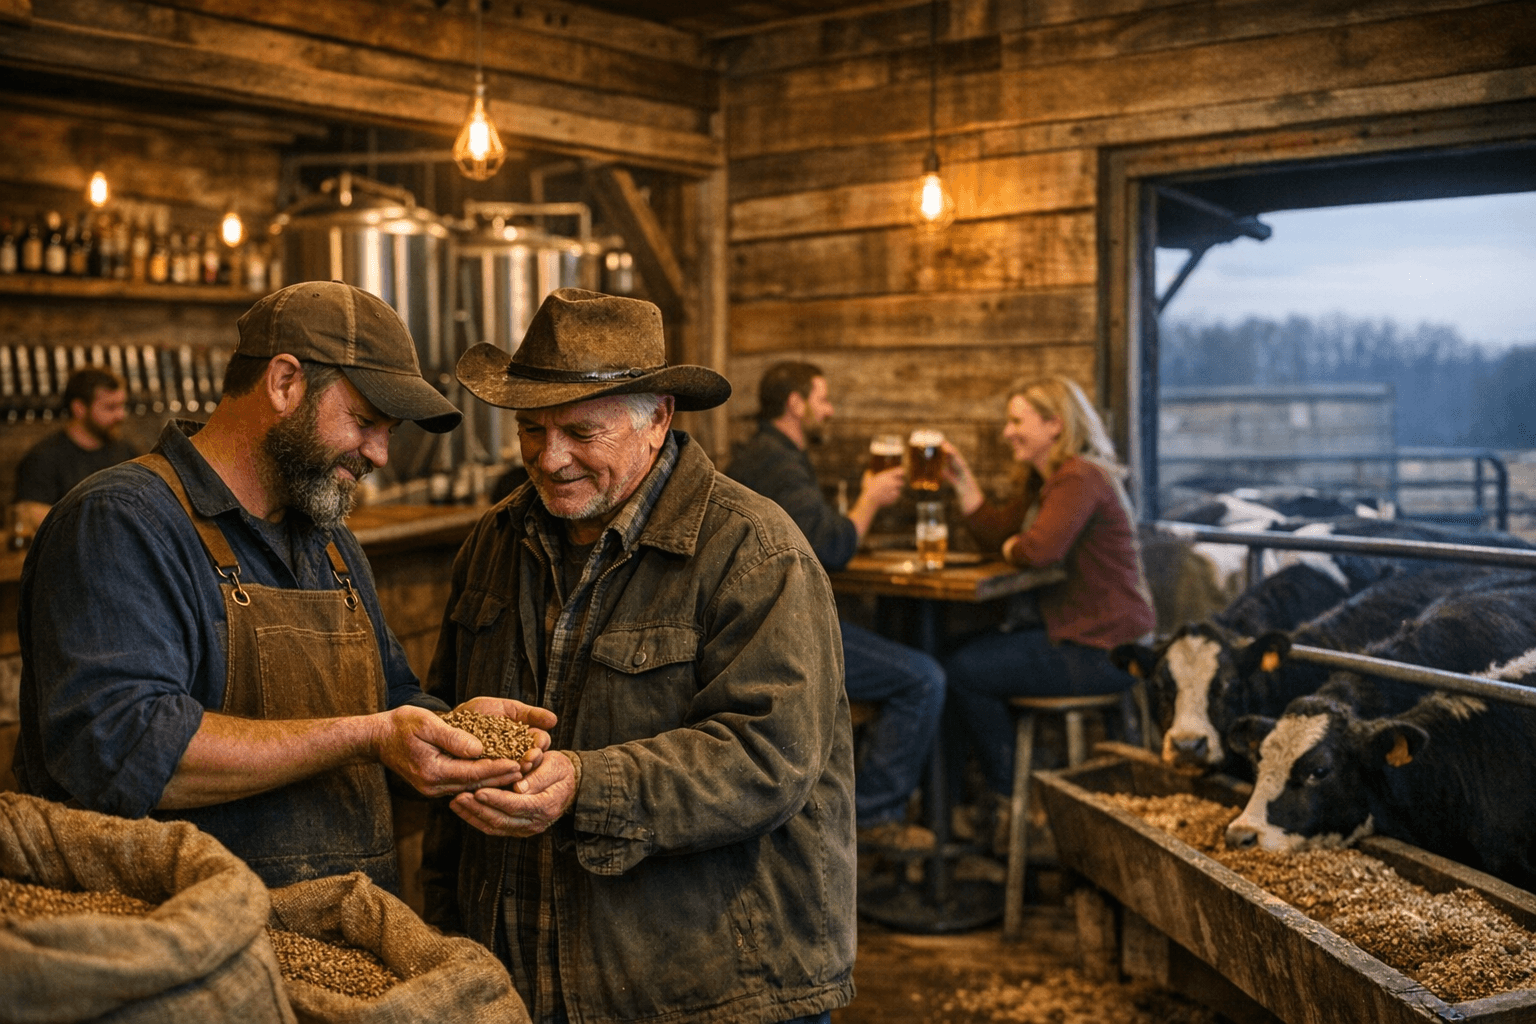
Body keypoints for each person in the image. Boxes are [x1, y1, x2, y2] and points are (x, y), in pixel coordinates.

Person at [16, 280, 551, 891]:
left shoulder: (331, 542)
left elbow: (392, 698)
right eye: (365, 421)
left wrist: (453, 729)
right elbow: (123, 749)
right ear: (284, 382)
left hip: (345, 930)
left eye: (390, 432)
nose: (379, 455)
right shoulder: (121, 522)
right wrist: (371, 735)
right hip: (183, 947)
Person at [424, 288, 855, 1024]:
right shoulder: (496, 541)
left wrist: (585, 784)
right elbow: (448, 705)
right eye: (532, 430)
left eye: (581, 433)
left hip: (708, 984)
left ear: (658, 419)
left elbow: (769, 757)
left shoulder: (755, 552)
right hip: (523, 971)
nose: (550, 458)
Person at [726, 360, 945, 852]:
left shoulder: (773, 456)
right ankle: (869, 818)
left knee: (915, 667)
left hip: (767, 622)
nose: (831, 411)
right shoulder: (778, 464)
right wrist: (868, 501)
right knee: (924, 679)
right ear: (796, 404)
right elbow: (829, 548)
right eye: (823, 399)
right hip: (774, 633)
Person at [940, 375, 1155, 830]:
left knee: (960, 670)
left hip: (1104, 650)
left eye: (1017, 421)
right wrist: (963, 483)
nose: (1007, 432)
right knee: (953, 656)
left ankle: (1015, 798)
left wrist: (1011, 548)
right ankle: (975, 805)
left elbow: (1038, 550)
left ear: (1054, 425)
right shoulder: (1059, 478)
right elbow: (1006, 531)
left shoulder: (1077, 476)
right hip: (1096, 638)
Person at [11, 365, 136, 537]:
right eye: (110, 407)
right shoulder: (43, 458)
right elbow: (29, 513)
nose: (121, 415)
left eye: (122, 405)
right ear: (79, 408)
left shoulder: (127, 452)